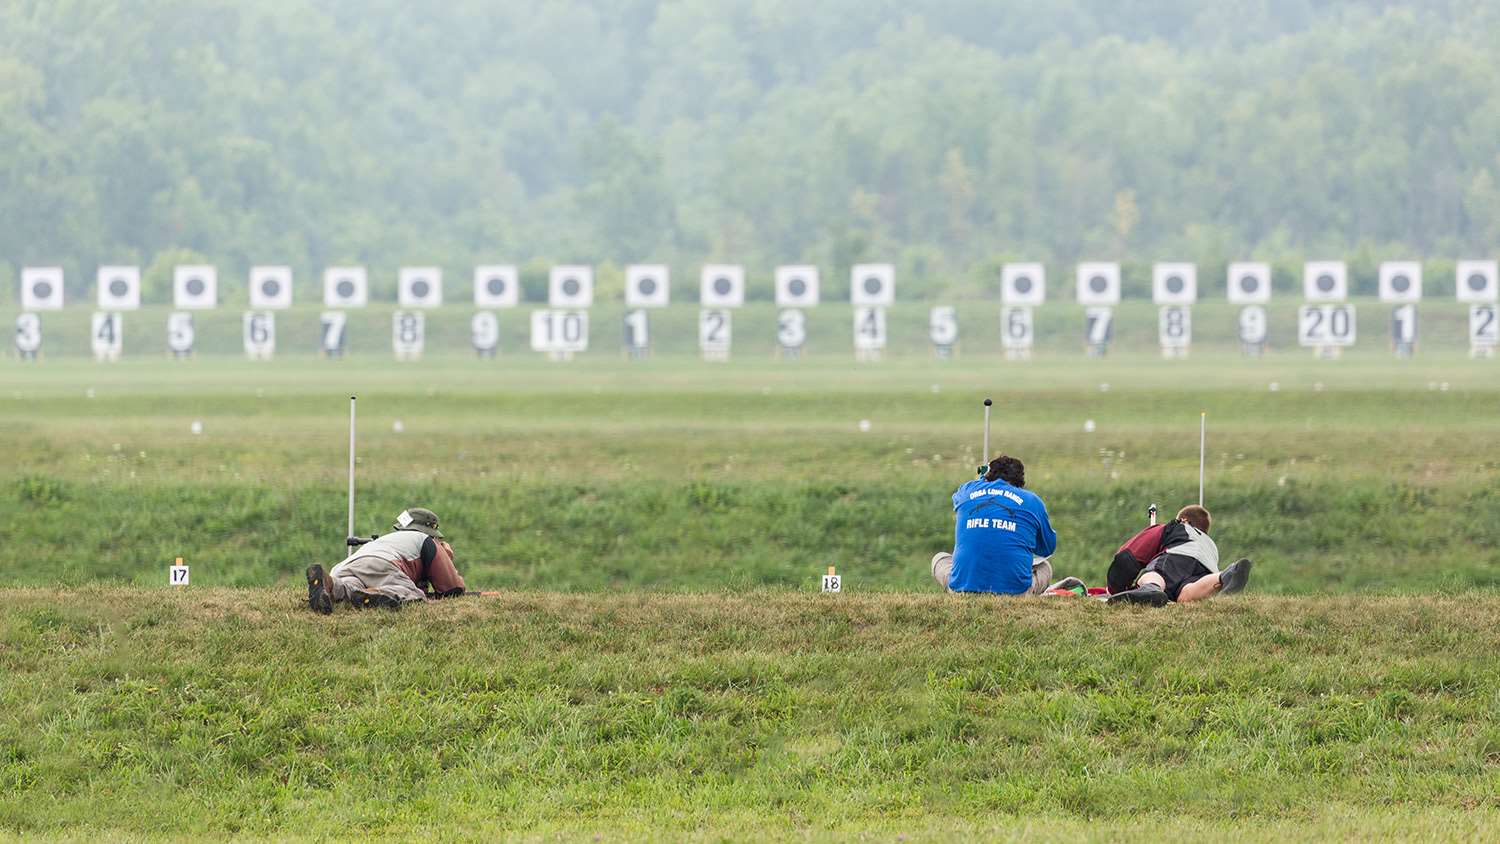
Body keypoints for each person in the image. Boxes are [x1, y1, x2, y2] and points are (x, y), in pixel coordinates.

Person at [931, 455, 1058, 595]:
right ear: (1020, 480)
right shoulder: (1033, 501)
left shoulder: (967, 491)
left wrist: (981, 479)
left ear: (988, 474)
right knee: (1045, 567)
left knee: (939, 559)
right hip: (1016, 594)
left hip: (963, 590)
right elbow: (1047, 549)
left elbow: (957, 497)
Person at [305, 507, 466, 613]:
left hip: (346, 566)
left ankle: (330, 584)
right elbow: (453, 590)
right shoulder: (425, 540)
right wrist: (446, 557)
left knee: (348, 589)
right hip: (382, 564)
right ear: (429, 532)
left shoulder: (387, 540)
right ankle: (375, 593)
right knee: (412, 595)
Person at [1107, 504, 1251, 606]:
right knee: (1185, 595)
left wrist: (1116, 588)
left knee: (1158, 573)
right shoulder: (1211, 545)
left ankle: (1151, 587)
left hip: (1177, 556)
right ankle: (1226, 575)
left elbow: (1129, 555)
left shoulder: (1177, 527)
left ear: (1184, 520)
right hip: (1207, 569)